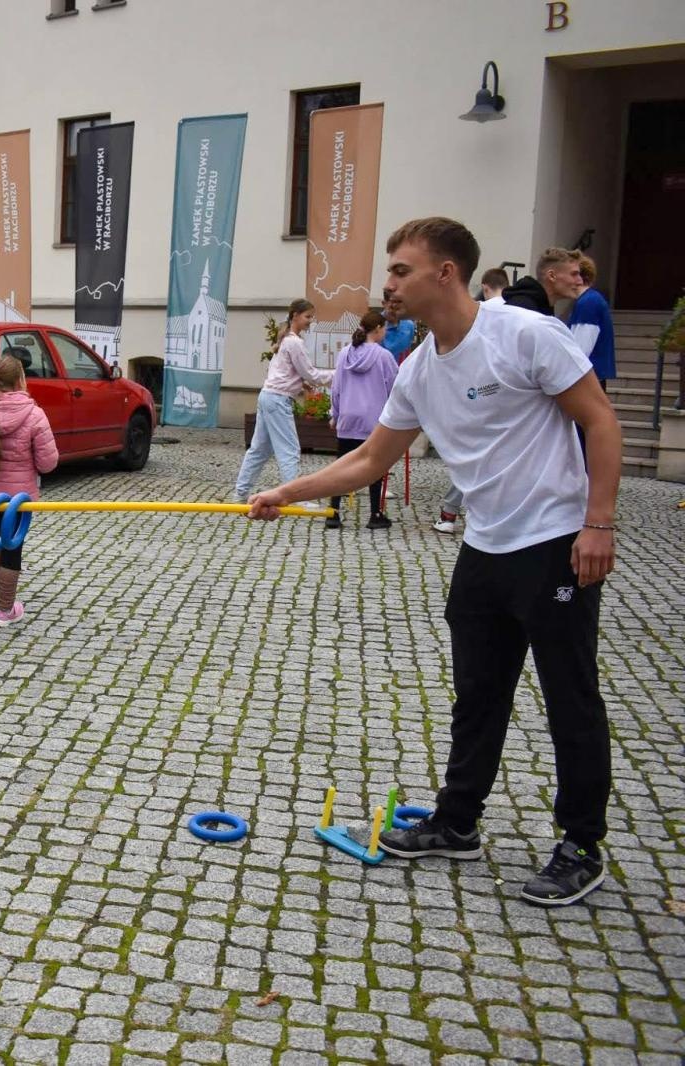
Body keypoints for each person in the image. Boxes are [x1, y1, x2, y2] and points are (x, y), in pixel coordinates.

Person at [249, 216, 620, 907]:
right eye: (389, 271)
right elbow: (370, 460)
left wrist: (598, 523)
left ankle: (580, 843)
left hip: (555, 542)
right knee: (478, 694)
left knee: (571, 697)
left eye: (400, 271)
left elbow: (600, 418)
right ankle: (458, 823)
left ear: (444, 273)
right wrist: (287, 491)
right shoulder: (418, 367)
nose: (387, 284)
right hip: (484, 547)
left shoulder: (524, 336)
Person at [0, 354, 59, 626]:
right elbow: (48, 463)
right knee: (12, 547)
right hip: (19, 499)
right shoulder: (34, 414)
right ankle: (5, 610)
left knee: (1, 539)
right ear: (20, 380)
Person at [234, 299, 332, 501]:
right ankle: (293, 497)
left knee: (259, 450)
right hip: (277, 400)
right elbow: (311, 374)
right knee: (290, 450)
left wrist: (299, 383)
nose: (310, 321)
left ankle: (240, 494)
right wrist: (340, 375)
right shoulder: (294, 342)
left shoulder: (286, 339)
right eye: (308, 316)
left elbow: (282, 371)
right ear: (295, 315)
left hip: (268, 396)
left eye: (311, 317)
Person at [326, 310, 398, 530]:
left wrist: (335, 414)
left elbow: (336, 387)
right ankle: (375, 513)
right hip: (373, 420)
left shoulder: (344, 353)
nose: (385, 332)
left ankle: (334, 512)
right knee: (376, 466)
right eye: (384, 328)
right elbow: (396, 387)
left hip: (348, 417)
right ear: (377, 329)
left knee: (341, 465)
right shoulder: (384, 356)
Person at [567, 255, 616, 391]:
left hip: (587, 380)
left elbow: (581, 350)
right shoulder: (589, 300)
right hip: (590, 378)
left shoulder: (588, 302)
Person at [379, 295, 417, 364]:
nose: (396, 312)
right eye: (392, 308)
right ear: (384, 303)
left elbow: (407, 350)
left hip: (401, 371)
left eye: (398, 309)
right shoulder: (373, 324)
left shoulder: (409, 325)